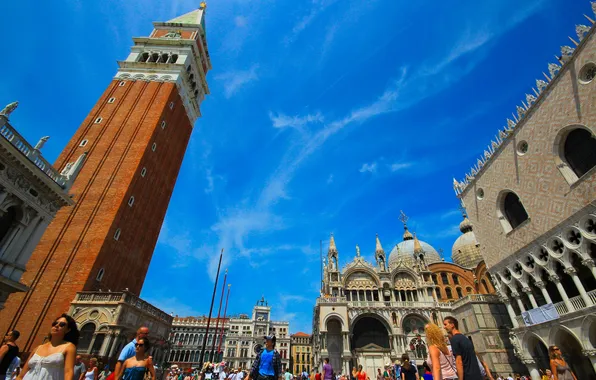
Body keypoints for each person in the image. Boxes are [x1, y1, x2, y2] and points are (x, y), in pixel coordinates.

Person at [18, 313, 79, 380]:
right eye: (55, 323)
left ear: (68, 330)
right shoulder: (38, 348)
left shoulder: (69, 347)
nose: (57, 325)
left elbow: (68, 372)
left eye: (62, 324)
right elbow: (21, 375)